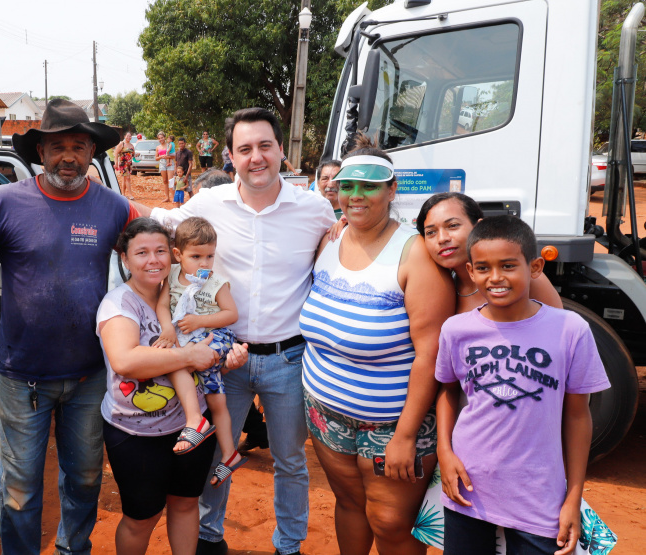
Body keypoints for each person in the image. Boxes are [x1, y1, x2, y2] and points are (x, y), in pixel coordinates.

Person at [136, 107, 336, 555]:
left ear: (282, 150)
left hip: (290, 360)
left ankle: (289, 545)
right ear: (230, 156)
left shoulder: (314, 209)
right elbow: (161, 219)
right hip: (222, 358)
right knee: (213, 452)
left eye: (265, 145)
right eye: (244, 149)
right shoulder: (209, 204)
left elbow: (342, 244)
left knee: (289, 460)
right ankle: (209, 538)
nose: (256, 157)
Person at [0, 98, 138, 555]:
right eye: (57, 146)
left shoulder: (116, 209)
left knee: (83, 476)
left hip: (90, 374)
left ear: (92, 152)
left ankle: (72, 549)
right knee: (19, 487)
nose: (68, 157)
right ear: (39, 152)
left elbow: (157, 257)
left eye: (78, 146)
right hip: (22, 376)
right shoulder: (0, 203)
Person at [299, 133, 454, 555]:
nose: (355, 195)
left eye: (369, 185)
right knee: (349, 504)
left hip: (392, 425)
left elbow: (431, 355)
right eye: (347, 185)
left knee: (391, 522)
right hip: (325, 411)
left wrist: (405, 436)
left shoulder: (414, 254)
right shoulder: (329, 240)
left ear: (391, 189)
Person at [435, 215, 610, 555]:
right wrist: (445, 450)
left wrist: (573, 496)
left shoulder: (570, 330)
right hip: (467, 488)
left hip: (539, 496)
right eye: (483, 268)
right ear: (470, 271)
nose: (496, 278)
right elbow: (447, 390)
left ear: (534, 267)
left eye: (508, 265)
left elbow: (577, 417)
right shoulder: (456, 330)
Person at [96, 217, 248, 555]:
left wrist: (224, 357)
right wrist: (190, 354)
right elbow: (125, 361)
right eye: (142, 253)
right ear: (125, 258)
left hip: (192, 429)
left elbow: (210, 345)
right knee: (141, 518)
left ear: (172, 254)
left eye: (160, 251)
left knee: (185, 505)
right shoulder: (119, 305)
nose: (153, 260)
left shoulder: (190, 290)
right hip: (138, 435)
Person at [153, 217, 246, 486]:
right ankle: (230, 455)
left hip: (215, 336)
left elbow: (231, 314)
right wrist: (168, 329)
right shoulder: (171, 275)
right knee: (216, 401)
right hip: (186, 337)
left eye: (210, 256)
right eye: (196, 256)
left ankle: (195, 423)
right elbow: (162, 305)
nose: (204, 263)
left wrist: (200, 321)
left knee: (178, 363)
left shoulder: (216, 283)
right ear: (178, 254)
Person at [416, 192, 562, 312]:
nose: (442, 239)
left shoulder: (525, 276)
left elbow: (558, 331)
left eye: (453, 225)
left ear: (478, 226)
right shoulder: (439, 285)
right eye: (431, 232)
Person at [114, 131, 136, 200]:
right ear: (124, 136)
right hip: (123, 164)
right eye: (127, 136)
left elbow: (133, 154)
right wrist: (116, 163)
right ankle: (130, 194)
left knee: (124, 179)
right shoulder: (122, 144)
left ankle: (123, 194)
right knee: (128, 178)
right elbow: (116, 153)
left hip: (129, 164)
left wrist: (136, 155)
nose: (129, 137)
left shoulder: (131, 145)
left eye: (130, 136)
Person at [155, 131, 174, 202]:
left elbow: (174, 156)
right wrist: (161, 157)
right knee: (165, 181)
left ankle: (174, 198)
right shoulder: (158, 147)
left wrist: (168, 156)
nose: (161, 139)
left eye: (162, 137)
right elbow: (156, 158)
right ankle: (167, 197)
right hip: (162, 164)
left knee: (170, 181)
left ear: (165, 137)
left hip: (170, 163)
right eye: (159, 138)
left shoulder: (169, 145)